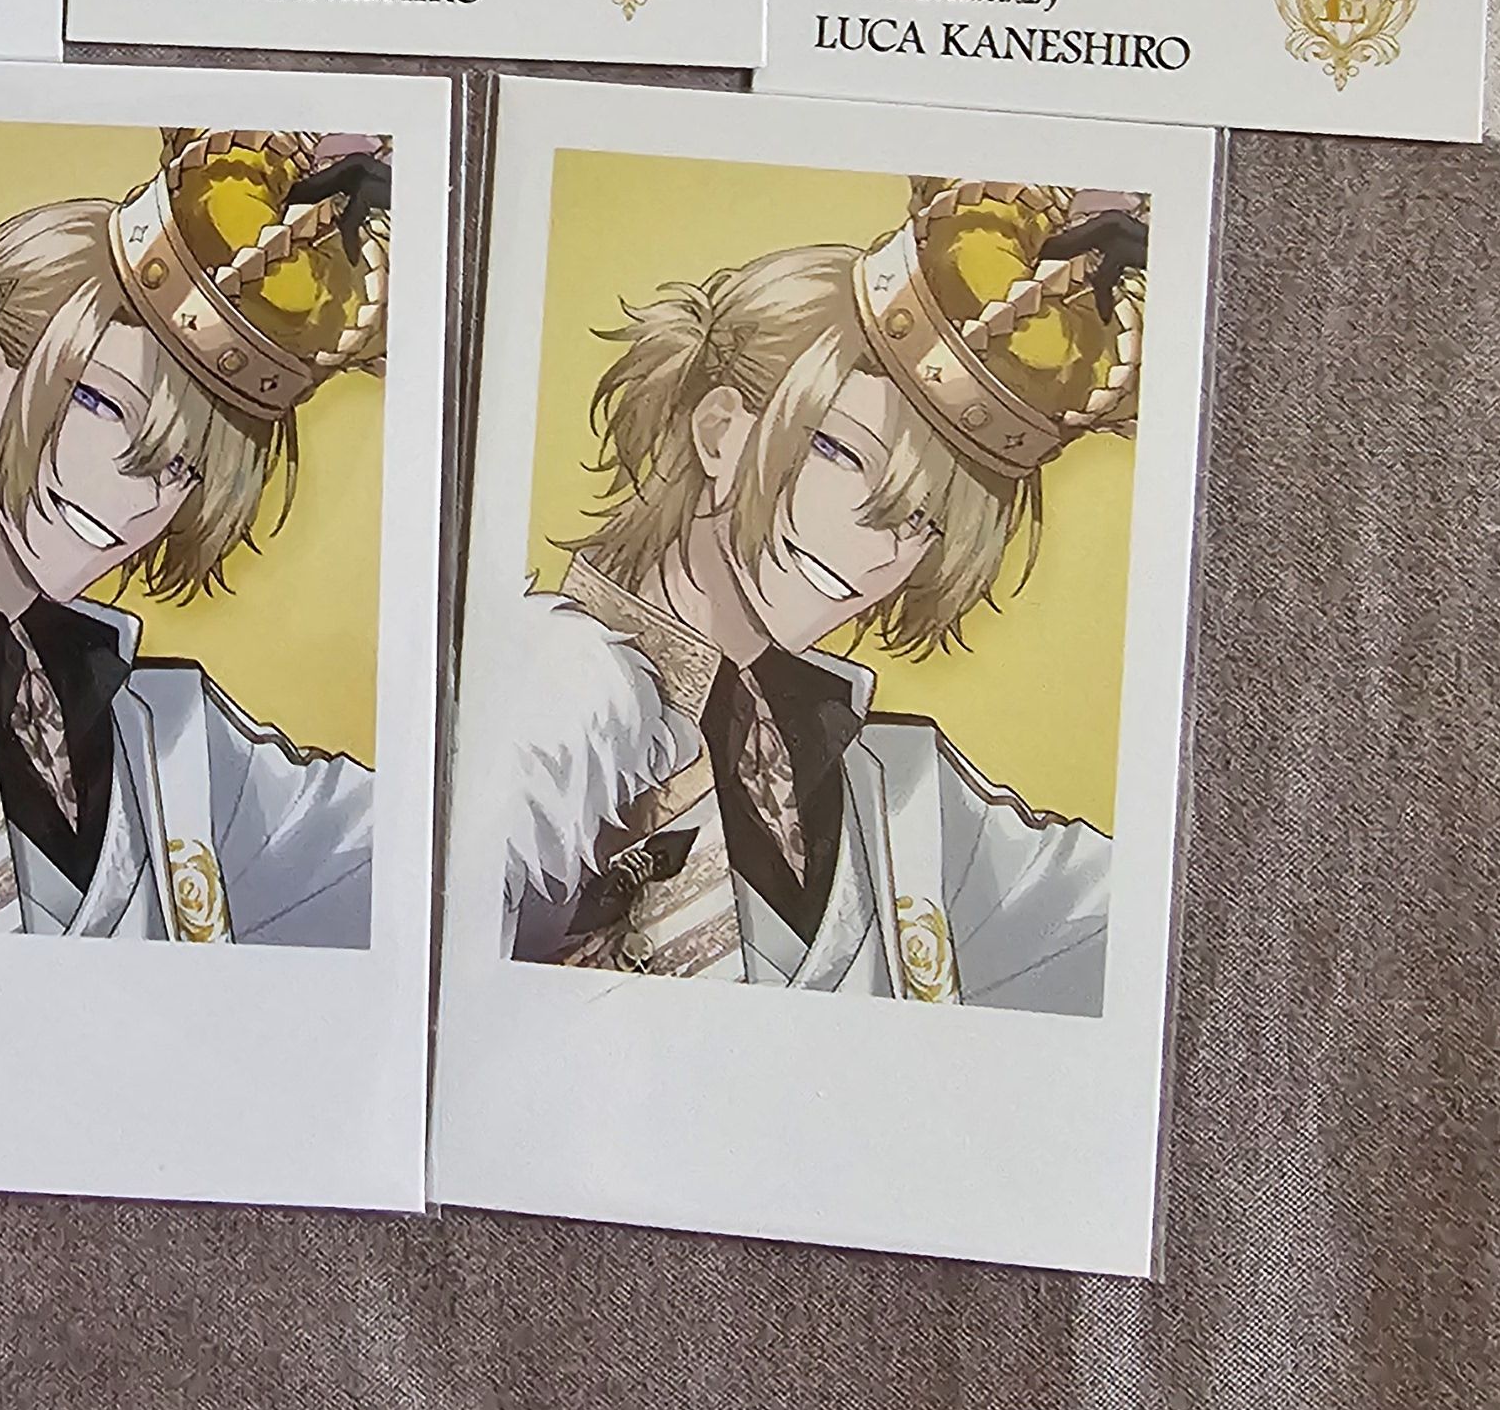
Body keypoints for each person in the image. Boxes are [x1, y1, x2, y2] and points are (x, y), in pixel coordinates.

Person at [485, 179, 1142, 1010]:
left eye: (924, 522)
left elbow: (1130, 924)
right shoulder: (523, 700)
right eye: (842, 453)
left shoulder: (900, 794)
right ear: (720, 431)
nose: (876, 542)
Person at [0, 129, 389, 942]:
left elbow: (407, 856)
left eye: (182, 469)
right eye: (104, 404)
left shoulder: (169, 739)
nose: (136, 490)